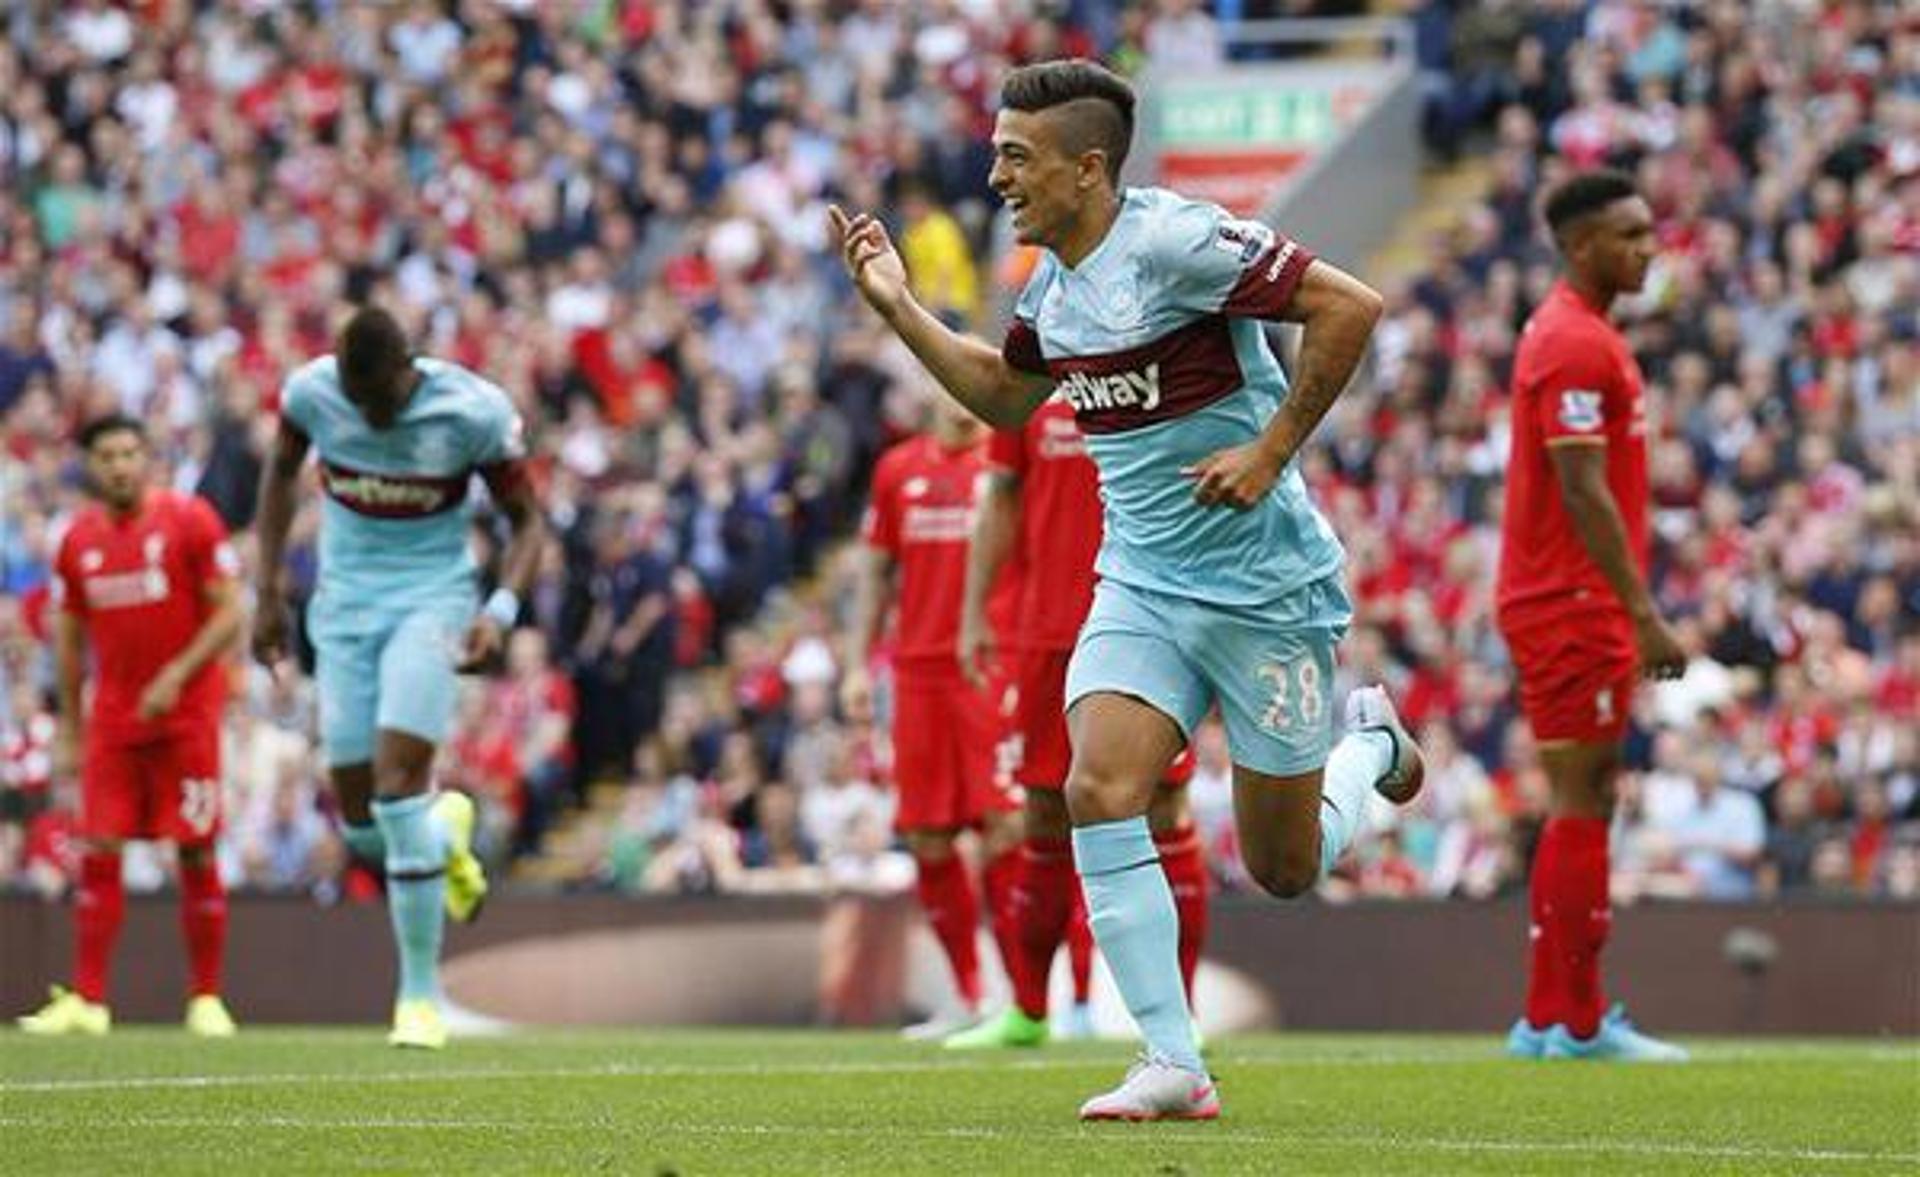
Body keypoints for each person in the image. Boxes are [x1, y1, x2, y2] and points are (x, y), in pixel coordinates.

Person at [829, 59, 1422, 1121]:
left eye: (1017, 156)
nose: (997, 175)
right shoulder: (1051, 290)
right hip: (1141, 582)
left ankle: (1368, 749)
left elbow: (1351, 307)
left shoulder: (1176, 243)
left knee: (1284, 865)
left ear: (1087, 168)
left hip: (1264, 590)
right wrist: (898, 306)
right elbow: (1005, 400)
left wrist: (1273, 451)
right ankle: (1171, 1058)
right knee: (1096, 788)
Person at [251, 306, 543, 1050]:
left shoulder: (471, 411)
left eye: (376, 399)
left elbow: (527, 520)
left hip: (431, 600)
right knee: (359, 818)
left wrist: (500, 610)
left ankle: (419, 995)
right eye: (355, 400)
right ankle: (445, 835)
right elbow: (280, 477)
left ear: (406, 372)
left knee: (396, 782)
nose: (366, 413)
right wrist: (266, 594)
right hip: (343, 605)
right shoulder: (314, 394)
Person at [943, 388, 1210, 1051]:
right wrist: (976, 610)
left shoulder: (1155, 366)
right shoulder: (1032, 377)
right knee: (1042, 813)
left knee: (1167, 806)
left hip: (1147, 619)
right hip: (1046, 633)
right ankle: (1030, 1009)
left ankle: (1185, 1013)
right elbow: (1002, 497)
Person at [1496, 170, 1689, 1063]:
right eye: (1631, 234)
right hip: (1574, 602)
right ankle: (1576, 1022)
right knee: (1586, 797)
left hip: (1561, 598)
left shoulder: (1579, 334)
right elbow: (1582, 487)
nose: (1648, 248)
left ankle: (1550, 1014)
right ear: (1582, 246)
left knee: (1580, 798)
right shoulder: (1576, 344)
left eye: (1650, 232)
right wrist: (1642, 611)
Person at [17, 415, 243, 1037]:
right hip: (114, 722)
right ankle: (89, 1002)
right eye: (107, 455)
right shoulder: (76, 541)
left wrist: (179, 673)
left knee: (195, 847)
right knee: (99, 847)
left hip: (186, 720)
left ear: (147, 458)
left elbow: (230, 614)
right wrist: (69, 723)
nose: (119, 465)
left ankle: (205, 999)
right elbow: (67, 637)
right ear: (90, 465)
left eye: (129, 453)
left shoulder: (190, 520)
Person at [841, 388, 1023, 1040]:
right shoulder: (897, 469)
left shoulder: (1004, 462)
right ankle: (967, 992)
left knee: (1006, 826)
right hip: (916, 670)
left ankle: (1021, 993)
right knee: (927, 836)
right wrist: (859, 662)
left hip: (990, 664)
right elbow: (876, 573)